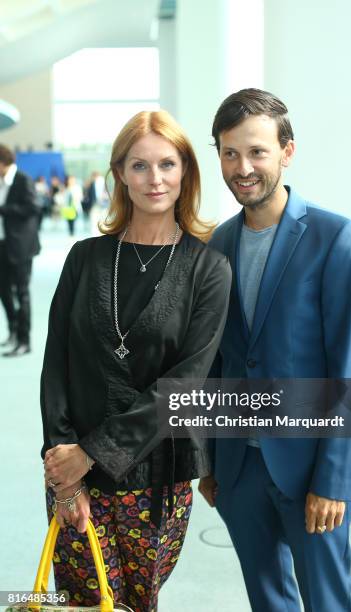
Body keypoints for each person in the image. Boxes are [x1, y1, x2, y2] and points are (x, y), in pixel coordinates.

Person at [41, 109, 231, 611]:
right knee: (81, 600)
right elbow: (55, 363)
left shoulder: (209, 269)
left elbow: (187, 384)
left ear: (185, 172)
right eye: (140, 166)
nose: (155, 179)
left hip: (158, 477)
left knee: (135, 602)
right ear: (120, 173)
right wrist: (65, 465)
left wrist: (94, 452)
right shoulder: (84, 258)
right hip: (74, 474)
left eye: (167, 164)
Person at [199, 89, 351, 612]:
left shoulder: (338, 238)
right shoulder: (219, 245)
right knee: (268, 602)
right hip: (239, 471)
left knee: (327, 603)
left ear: (287, 151)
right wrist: (208, 460)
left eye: (256, 151)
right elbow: (217, 364)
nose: (243, 167)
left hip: (309, 470)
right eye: (230, 153)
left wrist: (335, 481)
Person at [0, 144, 40, 356]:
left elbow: (34, 207)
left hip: (21, 247)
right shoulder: (0, 182)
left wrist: (4, 210)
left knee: (22, 293)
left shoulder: (22, 180)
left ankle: (25, 341)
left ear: (3, 163)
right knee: (3, 290)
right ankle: (14, 331)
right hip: (2, 244)